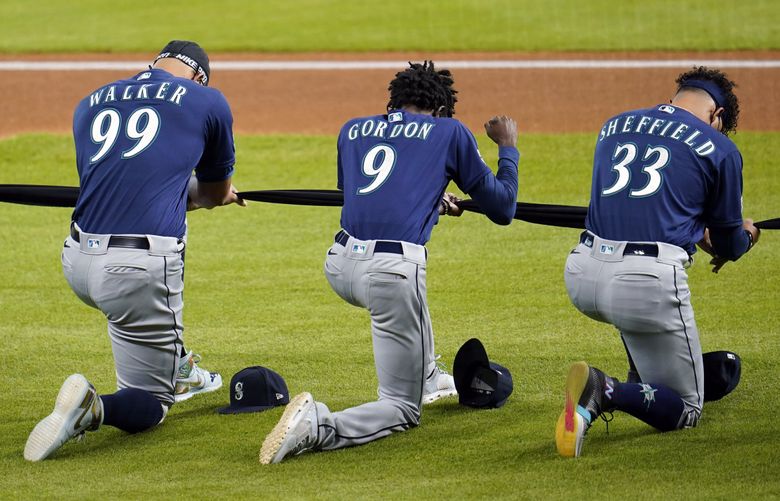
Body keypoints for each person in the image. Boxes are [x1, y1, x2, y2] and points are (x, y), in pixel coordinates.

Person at [260, 61, 520, 464]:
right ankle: (319, 426)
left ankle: (429, 376)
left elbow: (363, 194)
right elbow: (502, 208)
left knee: (408, 296)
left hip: (341, 264)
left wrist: (431, 200)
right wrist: (507, 148)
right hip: (390, 274)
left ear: (395, 100)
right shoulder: (449, 131)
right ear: (440, 109)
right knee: (402, 407)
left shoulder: (353, 128)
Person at [24, 40, 244, 462]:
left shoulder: (90, 102)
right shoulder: (207, 100)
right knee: (150, 405)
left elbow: (118, 184)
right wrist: (223, 195)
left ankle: (180, 365)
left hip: (77, 258)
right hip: (135, 272)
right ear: (199, 76)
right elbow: (211, 194)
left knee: (142, 316)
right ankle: (94, 406)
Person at [555, 66, 761, 458]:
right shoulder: (720, 148)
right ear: (716, 115)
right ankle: (604, 388)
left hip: (582, 273)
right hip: (643, 283)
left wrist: (690, 225)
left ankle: (643, 377)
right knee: (686, 409)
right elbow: (729, 243)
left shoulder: (613, 126)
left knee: (641, 320)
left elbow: (637, 203)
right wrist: (747, 235)